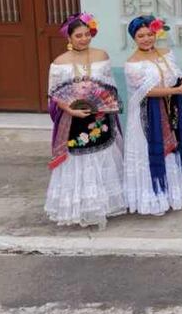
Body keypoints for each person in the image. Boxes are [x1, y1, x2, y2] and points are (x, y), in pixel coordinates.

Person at [44, 12, 127, 228]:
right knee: (79, 160)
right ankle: (82, 208)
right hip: (73, 119)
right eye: (78, 36)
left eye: (87, 34)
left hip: (101, 116)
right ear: (69, 38)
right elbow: (54, 94)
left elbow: (110, 87)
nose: (84, 39)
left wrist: (104, 103)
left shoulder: (101, 56)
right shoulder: (59, 63)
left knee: (104, 157)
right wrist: (70, 109)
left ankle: (106, 205)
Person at [123, 15, 182, 216]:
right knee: (153, 152)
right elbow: (146, 91)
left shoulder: (167, 53)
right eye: (141, 36)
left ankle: (176, 194)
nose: (146, 39)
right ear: (134, 38)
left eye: (149, 34)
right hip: (148, 116)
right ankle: (155, 197)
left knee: (175, 148)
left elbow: (176, 75)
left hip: (171, 109)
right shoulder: (132, 63)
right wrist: (177, 92)